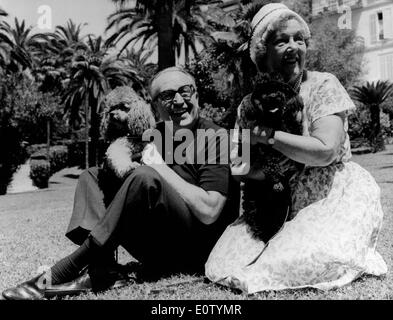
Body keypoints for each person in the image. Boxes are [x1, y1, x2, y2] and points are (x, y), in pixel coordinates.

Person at [2, 67, 239, 300]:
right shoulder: (154, 135)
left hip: (196, 250)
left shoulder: (215, 136)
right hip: (157, 245)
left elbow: (210, 211)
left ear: (196, 94)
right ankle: (103, 267)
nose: (178, 101)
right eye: (166, 96)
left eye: (185, 91)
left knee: (145, 176)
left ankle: (67, 268)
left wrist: (159, 167)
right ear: (155, 105)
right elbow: (118, 162)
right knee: (93, 176)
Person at [205, 3, 387, 294]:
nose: (293, 47)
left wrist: (266, 136)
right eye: (282, 40)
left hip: (329, 194)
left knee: (302, 258)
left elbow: (326, 150)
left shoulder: (324, 84)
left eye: (298, 39)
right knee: (221, 263)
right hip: (274, 204)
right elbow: (241, 168)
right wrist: (265, 173)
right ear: (263, 52)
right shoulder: (248, 105)